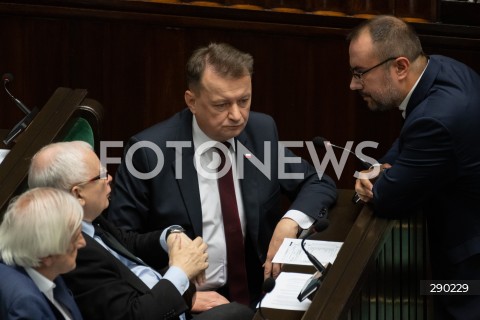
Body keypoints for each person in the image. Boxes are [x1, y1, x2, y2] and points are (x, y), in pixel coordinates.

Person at [107, 42, 338, 307]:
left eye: (244, 100)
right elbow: (118, 247)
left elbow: (317, 182)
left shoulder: (259, 131)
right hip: (188, 303)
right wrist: (179, 294)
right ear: (191, 101)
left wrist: (290, 221)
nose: (237, 115)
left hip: (259, 294)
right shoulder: (148, 152)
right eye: (222, 105)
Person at [28, 141, 254, 320]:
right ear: (77, 194)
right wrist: (181, 272)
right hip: (156, 308)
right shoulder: (75, 249)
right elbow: (132, 315)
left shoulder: (89, 220)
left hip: (162, 295)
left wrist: (171, 236)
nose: (109, 179)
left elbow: (129, 242)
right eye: (100, 175)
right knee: (239, 314)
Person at [349, 15, 480, 320]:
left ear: (400, 67)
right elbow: (412, 134)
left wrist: (376, 180)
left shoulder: (438, 118)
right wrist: (384, 167)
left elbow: (387, 198)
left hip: (468, 275)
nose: (353, 84)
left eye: (360, 73)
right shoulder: (440, 69)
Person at [0, 187, 85, 319]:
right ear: (46, 255)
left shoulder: (46, 268)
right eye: (75, 238)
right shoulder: (25, 305)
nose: (83, 243)